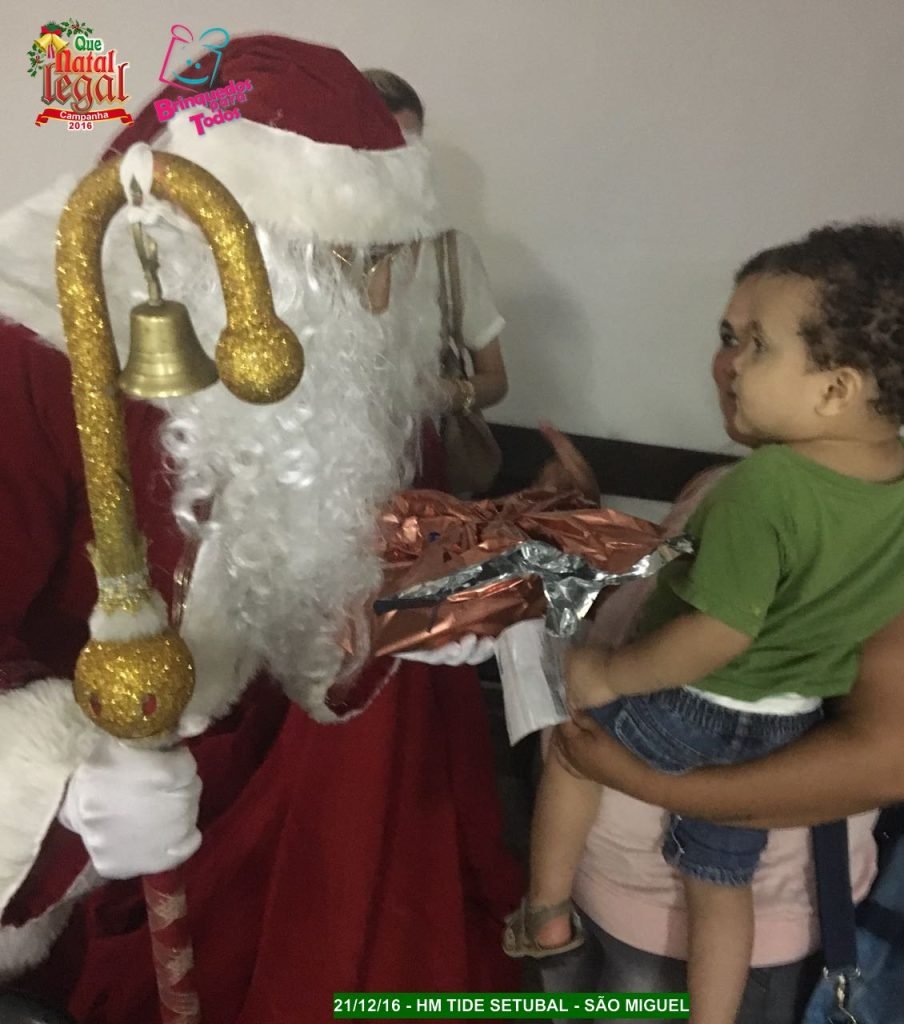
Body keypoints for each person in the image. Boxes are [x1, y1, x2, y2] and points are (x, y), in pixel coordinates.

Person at [0, 35, 522, 1023]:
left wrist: (383, 624)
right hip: (88, 866)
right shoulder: (30, 352)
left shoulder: (331, 354)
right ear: (214, 245)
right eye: (343, 263)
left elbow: (289, 592)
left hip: (247, 818)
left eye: (387, 261)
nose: (374, 299)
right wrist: (56, 795)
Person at [506, 224, 904, 1023]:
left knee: (573, 748)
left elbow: (724, 635)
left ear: (835, 388)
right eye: (727, 337)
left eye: (757, 344)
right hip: (775, 726)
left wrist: (608, 682)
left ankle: (544, 913)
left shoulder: (769, 486)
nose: (730, 364)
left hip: (687, 764)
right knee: (720, 882)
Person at [362, 68, 509, 421]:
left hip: (424, 443)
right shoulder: (301, 253)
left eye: (406, 148)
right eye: (376, 148)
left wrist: (443, 394)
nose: (394, 164)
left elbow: (496, 380)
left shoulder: (449, 253)